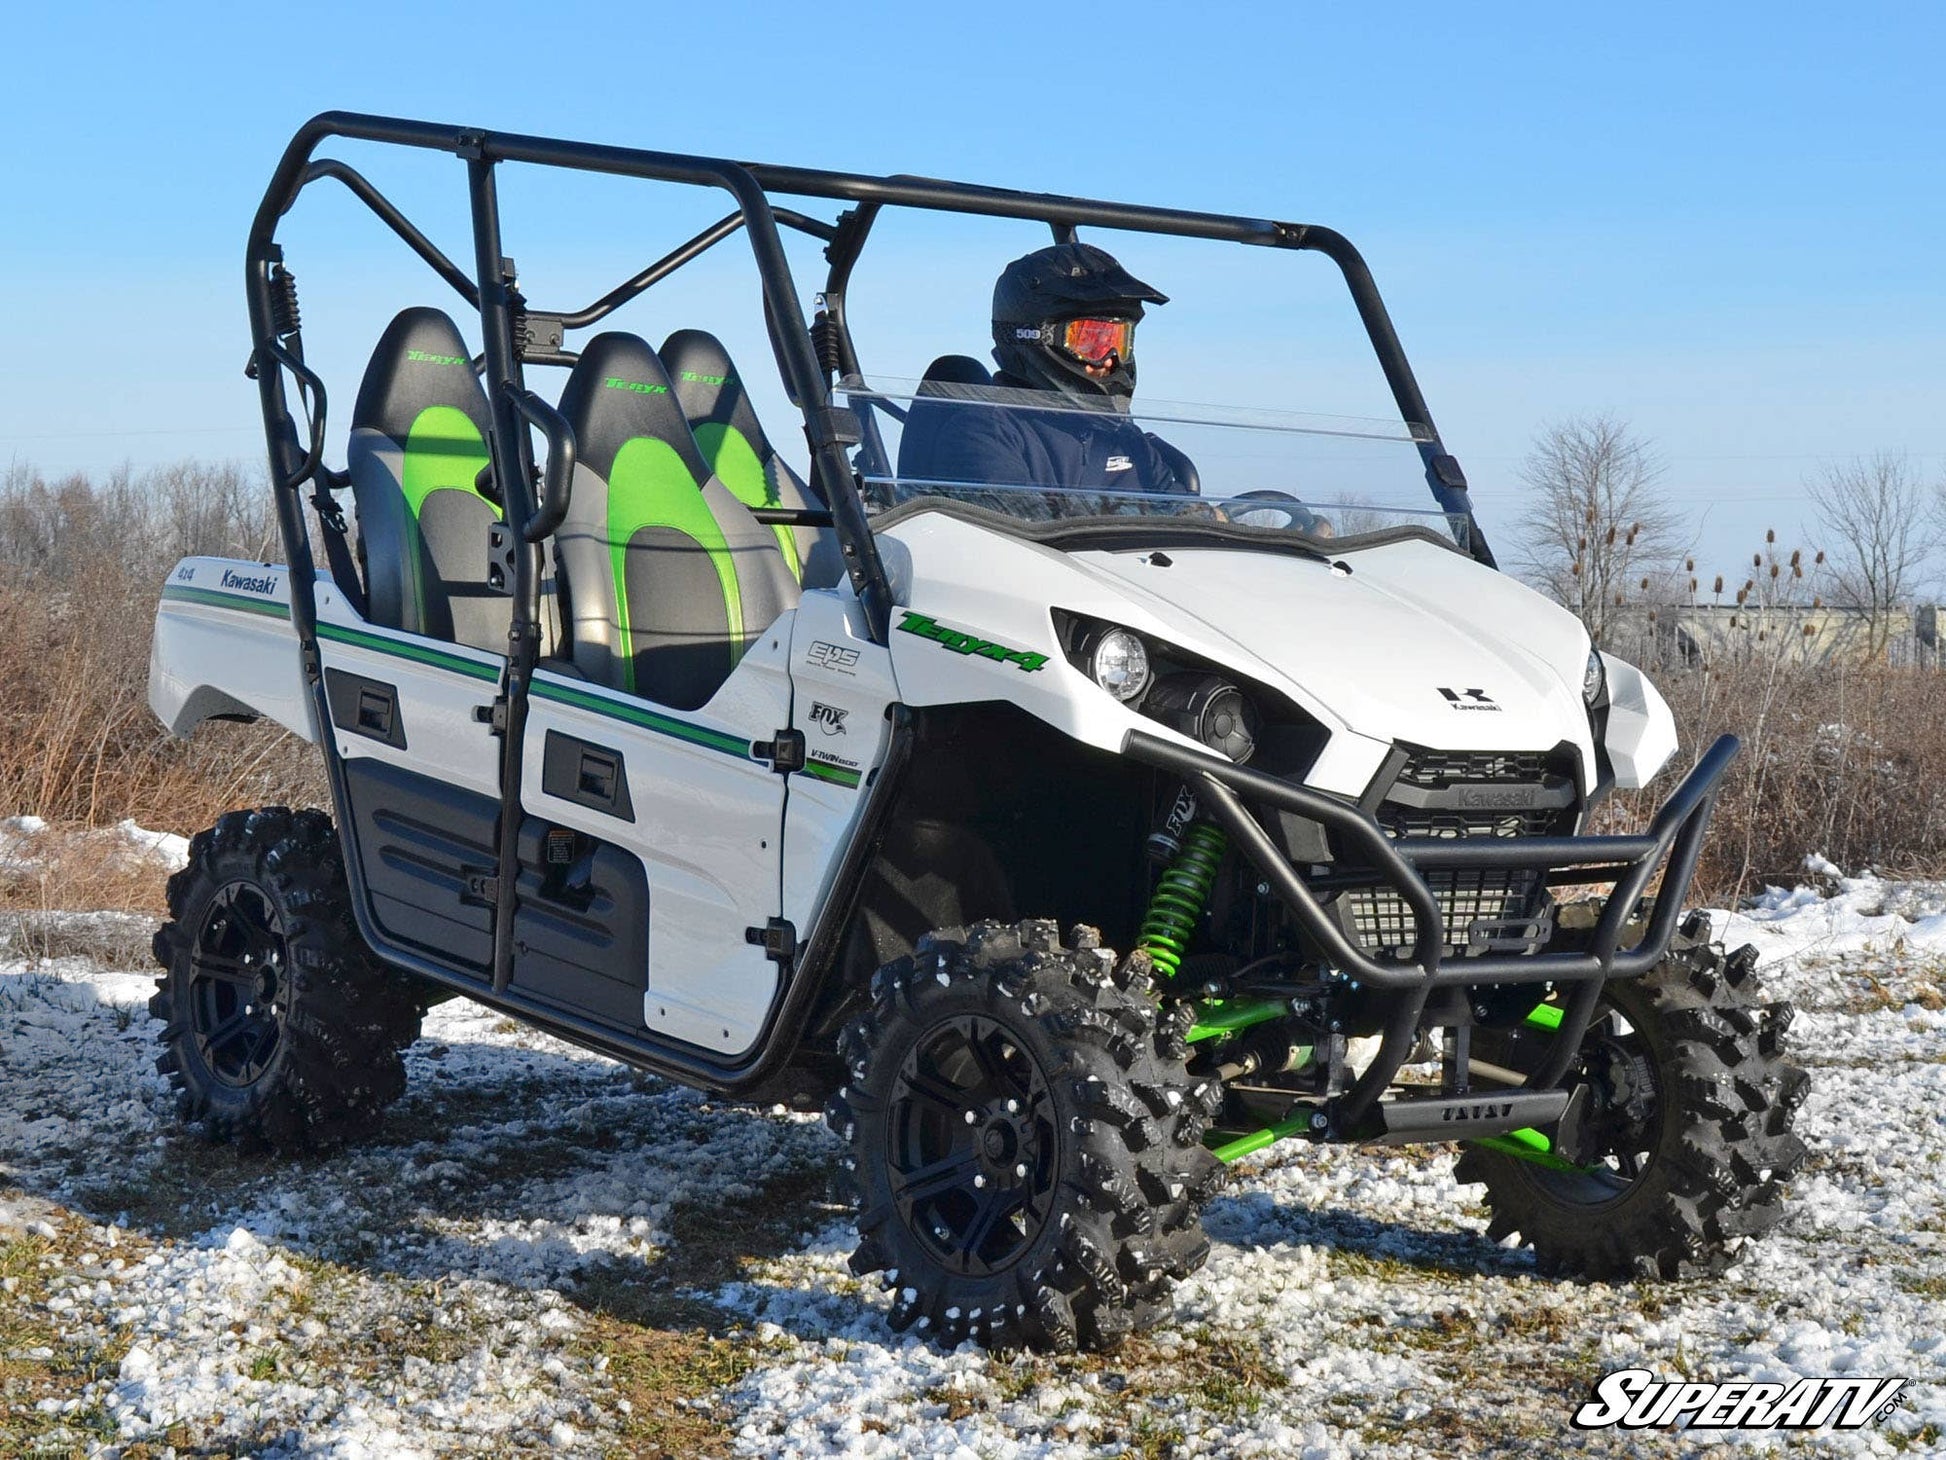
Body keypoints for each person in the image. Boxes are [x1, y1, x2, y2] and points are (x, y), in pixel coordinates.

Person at [897, 243, 1196, 497]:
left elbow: (1182, 516)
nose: (1110, 359)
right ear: (1034, 338)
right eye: (1090, 340)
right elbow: (1019, 533)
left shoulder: (1123, 436)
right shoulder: (983, 430)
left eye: (1119, 340)